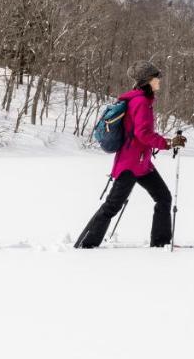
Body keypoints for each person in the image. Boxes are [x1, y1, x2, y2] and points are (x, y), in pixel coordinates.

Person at [75, 62, 187, 248]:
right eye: (156, 77)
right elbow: (142, 134)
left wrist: (168, 142)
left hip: (142, 164)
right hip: (131, 164)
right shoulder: (141, 101)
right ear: (147, 81)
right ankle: (86, 244)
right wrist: (168, 143)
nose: (159, 80)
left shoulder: (142, 100)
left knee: (163, 198)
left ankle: (161, 243)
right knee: (112, 206)